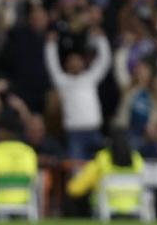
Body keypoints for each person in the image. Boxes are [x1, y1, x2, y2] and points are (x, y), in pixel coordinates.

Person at [45, 29, 111, 159]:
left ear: (83, 63)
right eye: (71, 61)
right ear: (66, 65)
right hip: (75, 133)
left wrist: (101, 40)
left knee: (101, 166)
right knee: (76, 169)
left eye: (77, 60)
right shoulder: (63, 81)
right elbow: (52, 66)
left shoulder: (90, 78)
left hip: (94, 130)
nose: (75, 63)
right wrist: (50, 45)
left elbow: (104, 61)